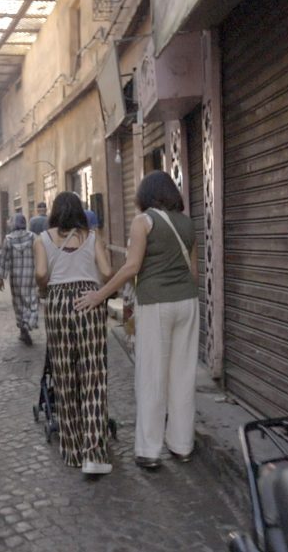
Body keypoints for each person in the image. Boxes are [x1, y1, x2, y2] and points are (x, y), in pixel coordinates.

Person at [75, 171, 199, 469]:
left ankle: (149, 450)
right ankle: (182, 446)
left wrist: (99, 295)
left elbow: (131, 267)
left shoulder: (143, 222)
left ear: (146, 195)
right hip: (188, 302)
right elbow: (194, 272)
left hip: (157, 304)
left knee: (152, 376)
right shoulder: (187, 222)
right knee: (182, 377)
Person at [33, 192, 113, 475]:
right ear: (80, 212)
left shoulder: (42, 240)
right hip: (89, 301)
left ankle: (73, 451)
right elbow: (106, 271)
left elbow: (42, 274)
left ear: (53, 213)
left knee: (65, 376)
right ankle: (95, 454)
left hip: (57, 304)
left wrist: (47, 290)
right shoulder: (92, 238)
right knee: (93, 377)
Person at [0, 213, 38, 346]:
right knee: (32, 300)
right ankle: (28, 324)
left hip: (15, 278)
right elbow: (39, 254)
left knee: (18, 302)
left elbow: (4, 260)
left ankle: (22, 328)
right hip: (30, 275)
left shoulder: (8, 239)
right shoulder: (32, 237)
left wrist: (1, 278)